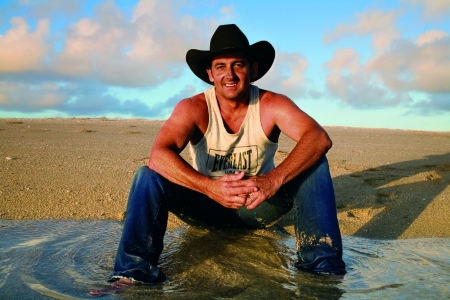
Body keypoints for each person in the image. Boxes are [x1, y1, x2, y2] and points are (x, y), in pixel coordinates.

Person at [90, 24, 345, 296]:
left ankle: (323, 270)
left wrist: (273, 180)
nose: (230, 75)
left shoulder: (272, 104)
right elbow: (158, 156)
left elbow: (318, 137)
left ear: (254, 69)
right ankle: (133, 273)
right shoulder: (193, 107)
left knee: (315, 164)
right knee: (146, 176)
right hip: (205, 207)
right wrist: (209, 187)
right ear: (210, 74)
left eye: (238, 65)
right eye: (221, 67)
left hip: (258, 206)